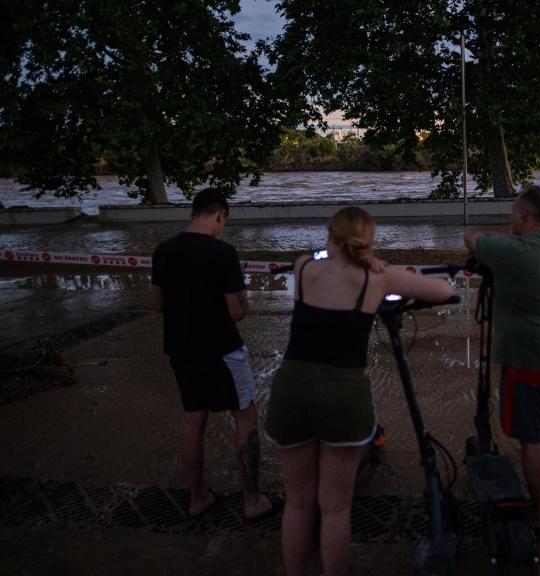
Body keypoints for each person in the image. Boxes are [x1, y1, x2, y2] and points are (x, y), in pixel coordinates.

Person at [266, 207, 454, 576]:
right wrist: (375, 263)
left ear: (330, 234)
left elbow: (318, 255)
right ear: (368, 239)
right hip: (342, 392)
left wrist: (340, 253)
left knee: (299, 502)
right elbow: (444, 291)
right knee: (335, 507)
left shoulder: (304, 267)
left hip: (291, 387)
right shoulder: (375, 278)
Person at [464, 184, 540, 531]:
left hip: (528, 359)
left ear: (523, 215)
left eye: (512, 214)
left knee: (533, 439)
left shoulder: (510, 250)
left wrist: (480, 240)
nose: (510, 219)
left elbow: (470, 238)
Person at [150, 188, 276, 521]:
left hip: (180, 348)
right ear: (220, 214)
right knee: (245, 416)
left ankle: (197, 498)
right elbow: (237, 312)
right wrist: (243, 295)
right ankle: (252, 501)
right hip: (221, 349)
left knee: (193, 419)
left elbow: (157, 304)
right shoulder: (222, 253)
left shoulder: (163, 251)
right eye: (224, 221)